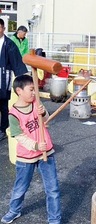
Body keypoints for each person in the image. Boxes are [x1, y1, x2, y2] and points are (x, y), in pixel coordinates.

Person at [1, 75, 61, 224]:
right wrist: (34, 145)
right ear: (19, 91)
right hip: (26, 156)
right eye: (31, 89)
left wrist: (43, 113)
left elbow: (47, 121)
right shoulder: (13, 114)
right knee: (20, 187)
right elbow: (18, 136)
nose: (34, 93)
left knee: (52, 189)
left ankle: (54, 219)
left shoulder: (37, 103)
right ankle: (14, 211)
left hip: (46, 152)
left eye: (35, 89)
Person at [0, 19, 28, 141]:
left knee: (3, 105)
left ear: (3, 29)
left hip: (3, 77)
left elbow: (17, 62)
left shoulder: (9, 44)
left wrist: (23, 80)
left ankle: (3, 129)